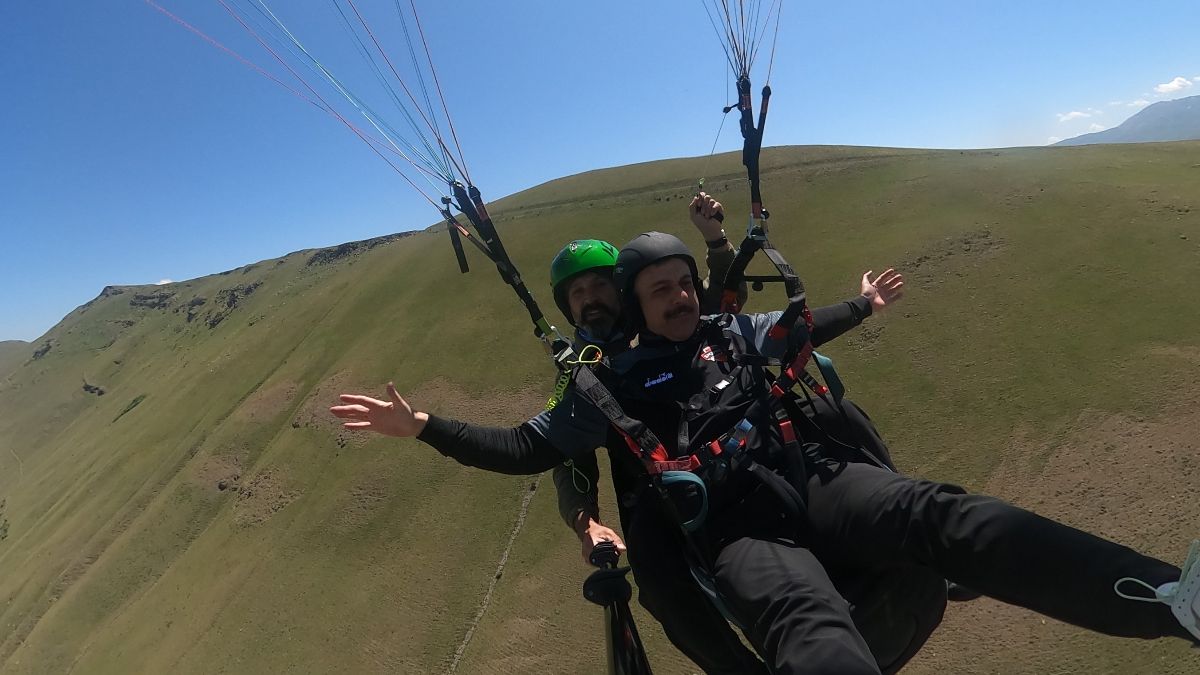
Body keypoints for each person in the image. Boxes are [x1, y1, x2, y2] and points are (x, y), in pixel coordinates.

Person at [333, 231, 1200, 673]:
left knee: (937, 510)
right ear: (636, 305)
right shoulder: (603, 384)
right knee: (803, 622)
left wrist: (865, 306)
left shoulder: (732, 330)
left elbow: (802, 329)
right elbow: (528, 445)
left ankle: (1170, 597)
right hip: (736, 527)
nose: (678, 296)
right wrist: (427, 426)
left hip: (810, 478)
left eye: (683, 284)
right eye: (658, 290)